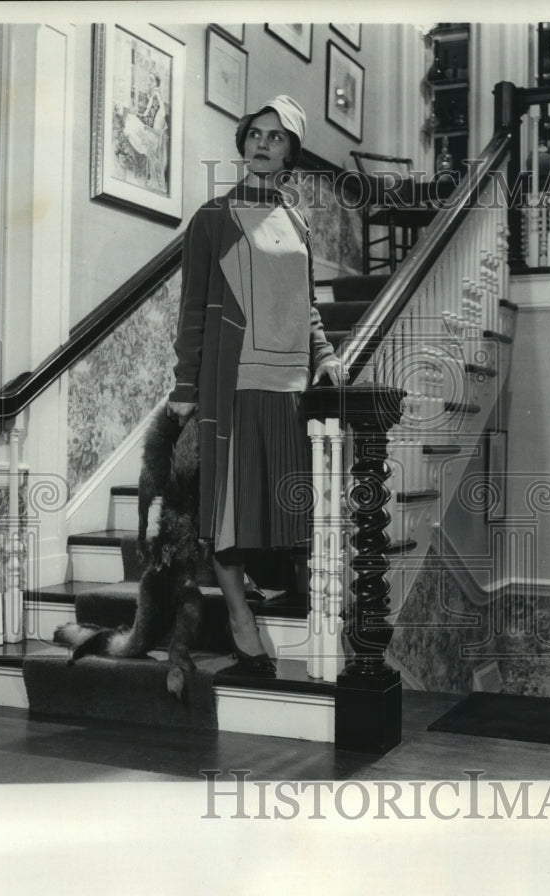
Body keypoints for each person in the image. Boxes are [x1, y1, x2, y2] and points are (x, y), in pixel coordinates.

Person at [166, 95, 346, 673]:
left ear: (291, 152)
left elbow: (307, 308)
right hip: (233, 387)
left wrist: (324, 356)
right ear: (243, 144)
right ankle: (243, 622)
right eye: (255, 135)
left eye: (276, 137)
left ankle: (300, 601)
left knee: (289, 507)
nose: (263, 144)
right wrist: (185, 387)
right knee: (227, 510)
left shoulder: (297, 222)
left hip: (290, 388)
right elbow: (193, 311)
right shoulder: (212, 219)